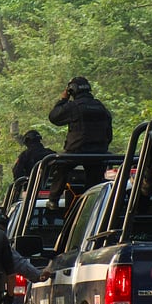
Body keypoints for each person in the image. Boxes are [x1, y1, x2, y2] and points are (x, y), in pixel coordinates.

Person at [46, 76, 113, 210]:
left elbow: (54, 117)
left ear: (72, 90)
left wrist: (63, 99)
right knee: (94, 183)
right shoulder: (101, 107)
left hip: (76, 151)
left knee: (60, 167)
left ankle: (53, 200)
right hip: (99, 153)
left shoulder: (73, 106)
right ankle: (91, 205)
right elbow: (109, 134)